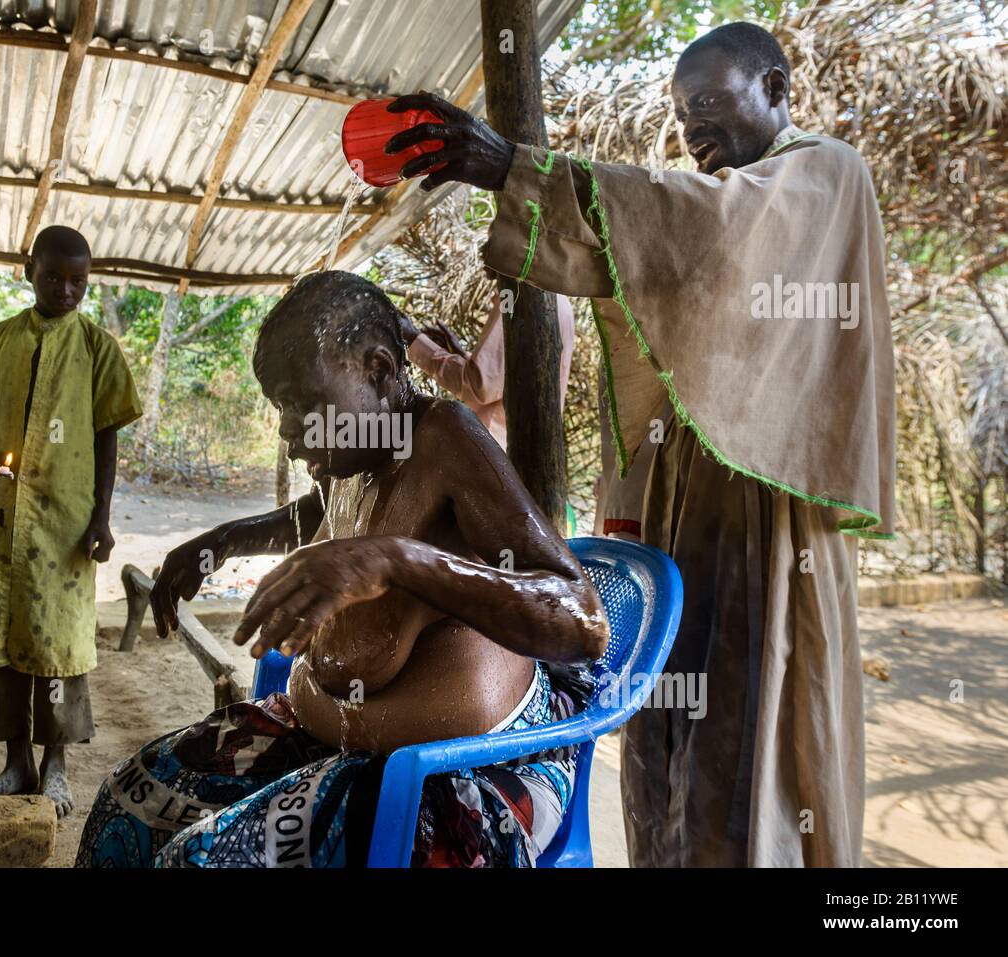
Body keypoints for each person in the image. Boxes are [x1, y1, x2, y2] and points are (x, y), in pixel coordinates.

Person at [384, 21, 895, 867]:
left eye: (709, 103)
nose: (693, 128)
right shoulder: (738, 191)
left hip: (761, 517)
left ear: (774, 86)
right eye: (682, 112)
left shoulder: (824, 176)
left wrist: (512, 168)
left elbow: (710, 232)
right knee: (668, 735)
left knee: (747, 724)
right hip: (681, 509)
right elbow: (670, 272)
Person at [76, 271, 608, 869]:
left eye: (305, 403)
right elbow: (321, 516)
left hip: (460, 772)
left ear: (379, 370)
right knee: (127, 802)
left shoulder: (448, 440)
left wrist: (397, 562)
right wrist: (225, 540)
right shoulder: (354, 458)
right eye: (281, 406)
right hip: (330, 736)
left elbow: (582, 620)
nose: (285, 430)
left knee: (196, 861)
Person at [0, 225, 142, 818]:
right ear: (28, 270)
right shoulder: (0, 340)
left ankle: (55, 764)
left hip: (67, 522)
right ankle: (15, 762)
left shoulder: (98, 348)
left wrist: (101, 519)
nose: (65, 289)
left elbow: (107, 438)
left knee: (59, 644)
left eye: (78, 280)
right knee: (1, 637)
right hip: (3, 518)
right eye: (52, 275)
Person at [398, 290, 576, 451]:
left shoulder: (515, 294)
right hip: (507, 455)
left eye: (485, 250)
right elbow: (509, 379)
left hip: (489, 451)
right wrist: (460, 355)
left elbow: (480, 387)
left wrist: (414, 339)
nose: (483, 256)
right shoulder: (559, 302)